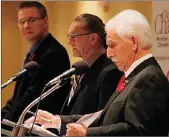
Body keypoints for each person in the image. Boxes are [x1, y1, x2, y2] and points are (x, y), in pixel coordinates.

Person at [26, 10, 169, 136]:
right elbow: (105, 118)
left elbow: (136, 131)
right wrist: (58, 121)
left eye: (112, 45)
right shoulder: (135, 76)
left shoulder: (149, 78)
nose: (109, 53)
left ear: (134, 42)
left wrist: (87, 134)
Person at [25, 13, 123, 130]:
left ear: (93, 38)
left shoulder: (110, 72)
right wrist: (55, 121)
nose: (69, 42)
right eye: (68, 37)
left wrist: (59, 122)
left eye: (74, 36)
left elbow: (102, 120)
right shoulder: (82, 69)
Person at [1, 1, 71, 123]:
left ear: (45, 21)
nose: (26, 26)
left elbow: (32, 97)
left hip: (37, 125)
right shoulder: (34, 52)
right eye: (22, 22)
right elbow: (18, 96)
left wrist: (7, 121)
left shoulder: (53, 53)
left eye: (32, 20)